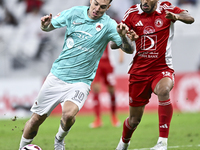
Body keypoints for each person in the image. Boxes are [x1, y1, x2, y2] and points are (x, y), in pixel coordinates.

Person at [18, 0, 135, 150]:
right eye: (96, 4)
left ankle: (59, 140)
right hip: (57, 76)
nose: (97, 9)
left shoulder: (109, 25)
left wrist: (123, 37)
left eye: (103, 7)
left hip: (81, 82)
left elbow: (129, 49)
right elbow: (48, 27)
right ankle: (22, 147)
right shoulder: (75, 13)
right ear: (91, 1)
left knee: (68, 116)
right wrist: (44, 25)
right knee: (36, 120)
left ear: (109, 7)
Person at [115, 0, 194, 150]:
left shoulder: (166, 9)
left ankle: (162, 143)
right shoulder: (131, 13)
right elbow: (115, 44)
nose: (144, 1)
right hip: (139, 73)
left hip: (162, 68)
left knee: (164, 90)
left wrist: (177, 17)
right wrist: (123, 35)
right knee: (134, 120)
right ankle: (123, 143)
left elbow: (190, 18)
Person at [89, 44, 124, 128]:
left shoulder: (108, 30)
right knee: (96, 89)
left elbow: (117, 41)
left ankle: (114, 117)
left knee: (111, 90)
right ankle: (97, 119)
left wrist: (121, 53)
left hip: (108, 64)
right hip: (96, 63)